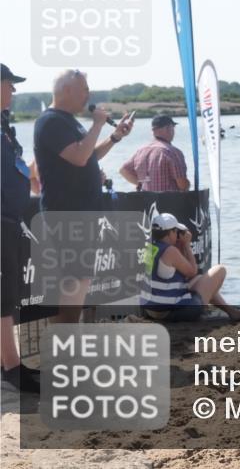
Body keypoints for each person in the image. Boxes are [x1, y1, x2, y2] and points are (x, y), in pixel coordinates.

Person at [33, 70, 134, 323]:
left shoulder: (68, 121)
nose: (89, 95)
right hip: (66, 214)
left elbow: (88, 155)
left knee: (79, 281)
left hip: (82, 213)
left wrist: (114, 137)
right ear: (68, 90)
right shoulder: (51, 121)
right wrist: (98, 124)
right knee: (73, 282)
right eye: (85, 89)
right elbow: (79, 157)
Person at [1, 65, 38, 393]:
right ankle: (11, 368)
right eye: (9, 85)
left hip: (10, 219)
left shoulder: (4, 125)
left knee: (8, 292)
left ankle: (8, 364)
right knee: (4, 294)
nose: (13, 91)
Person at [140, 212, 240, 323]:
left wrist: (180, 247)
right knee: (220, 270)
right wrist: (187, 245)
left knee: (200, 279)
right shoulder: (170, 251)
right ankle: (214, 311)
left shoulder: (149, 247)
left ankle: (231, 311)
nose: (177, 234)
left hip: (151, 310)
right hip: (172, 313)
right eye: (176, 231)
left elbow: (170, 274)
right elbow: (192, 271)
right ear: (170, 233)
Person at [119, 114, 190, 192]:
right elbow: (182, 185)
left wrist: (141, 184)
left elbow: (123, 170)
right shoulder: (172, 152)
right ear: (168, 128)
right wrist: (188, 184)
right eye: (173, 127)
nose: (173, 130)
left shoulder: (141, 151)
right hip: (170, 202)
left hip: (147, 202)